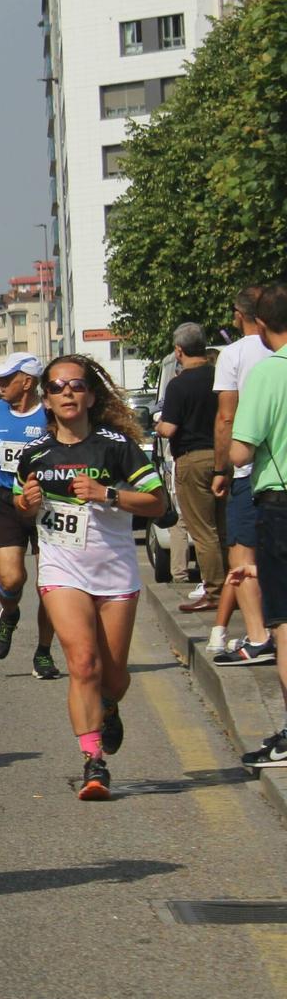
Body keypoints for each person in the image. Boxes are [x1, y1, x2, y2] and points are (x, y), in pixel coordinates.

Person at [12, 355, 166, 799]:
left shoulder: (116, 446)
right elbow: (24, 509)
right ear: (45, 399)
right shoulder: (34, 455)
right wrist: (26, 503)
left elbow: (157, 503)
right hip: (63, 568)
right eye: (57, 387)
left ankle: (110, 705)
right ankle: (93, 763)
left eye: (76, 386)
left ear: (91, 395)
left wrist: (109, 494)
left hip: (114, 570)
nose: (67, 393)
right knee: (82, 663)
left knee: (113, 677)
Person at [0, 354, 61, 679]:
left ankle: (44, 652)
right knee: (11, 579)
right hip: (6, 500)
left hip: (45, 501)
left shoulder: (49, 414)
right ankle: (9, 615)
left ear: (28, 382)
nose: (0, 385)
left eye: (7, 379)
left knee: (47, 584)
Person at [227, 281, 287, 766]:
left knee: (285, 624)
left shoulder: (269, 373)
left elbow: (242, 448)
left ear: (262, 326)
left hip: (280, 505)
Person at [212, 287, 278, 666]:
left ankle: (258, 637)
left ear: (242, 314)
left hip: (248, 467)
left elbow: (226, 417)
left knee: (242, 554)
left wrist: (223, 468)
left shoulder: (233, 354)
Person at [157, 323, 224, 611]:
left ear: (179, 351)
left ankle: (215, 591)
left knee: (202, 530)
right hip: (222, 456)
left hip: (192, 458)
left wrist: (157, 426)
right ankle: (235, 587)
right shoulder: (219, 376)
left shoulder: (179, 384)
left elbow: (170, 428)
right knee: (223, 527)